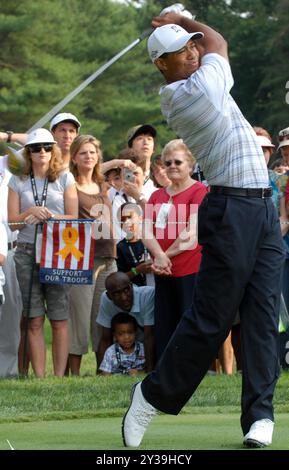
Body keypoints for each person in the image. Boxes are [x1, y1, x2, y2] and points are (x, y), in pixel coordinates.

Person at [122, 8, 284, 449]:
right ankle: (151, 393)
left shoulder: (201, 72)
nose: (192, 53)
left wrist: (185, 26)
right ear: (162, 64)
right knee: (212, 318)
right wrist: (183, 17)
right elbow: (220, 44)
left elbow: (210, 47)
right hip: (229, 208)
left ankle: (259, 417)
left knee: (262, 317)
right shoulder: (186, 93)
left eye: (191, 46)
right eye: (180, 52)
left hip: (262, 208)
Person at [8, 128, 78, 377]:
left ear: (53, 150)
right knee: (34, 318)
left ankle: (58, 377)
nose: (42, 152)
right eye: (36, 148)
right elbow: (12, 222)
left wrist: (49, 215)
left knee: (59, 318)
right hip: (26, 251)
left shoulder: (65, 178)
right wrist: (30, 213)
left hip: (58, 251)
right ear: (28, 152)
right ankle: (40, 376)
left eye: (47, 147)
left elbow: (74, 216)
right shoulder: (17, 179)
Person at [144, 139, 207, 359]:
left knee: (187, 323)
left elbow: (191, 234)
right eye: (167, 162)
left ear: (190, 165)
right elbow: (145, 230)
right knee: (164, 323)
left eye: (177, 162)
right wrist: (159, 258)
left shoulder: (199, 191)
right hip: (163, 271)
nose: (172, 166)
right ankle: (164, 370)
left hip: (189, 270)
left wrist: (162, 257)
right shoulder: (157, 195)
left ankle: (188, 370)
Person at [67, 135, 117, 375]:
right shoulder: (69, 185)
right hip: (82, 259)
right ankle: (73, 372)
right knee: (79, 316)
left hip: (109, 257)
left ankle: (102, 369)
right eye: (83, 153)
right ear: (74, 158)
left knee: (103, 316)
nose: (89, 156)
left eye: (93, 152)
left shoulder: (103, 184)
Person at [97, 272, 155, 372]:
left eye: (126, 290)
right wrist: (100, 373)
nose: (124, 298)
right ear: (109, 296)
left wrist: (149, 371)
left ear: (131, 286)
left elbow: (149, 336)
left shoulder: (148, 294)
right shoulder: (105, 299)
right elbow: (105, 339)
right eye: (116, 294)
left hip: (151, 345)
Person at [0, 155, 23, 377]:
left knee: (9, 313)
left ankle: (7, 371)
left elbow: (32, 142)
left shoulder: (8, 162)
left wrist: (7, 137)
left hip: (8, 249)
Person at [117, 202, 153, 287]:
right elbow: (119, 278)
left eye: (130, 217)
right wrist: (137, 270)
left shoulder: (152, 240)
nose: (126, 222)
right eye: (122, 219)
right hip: (135, 293)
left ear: (140, 218)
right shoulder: (120, 248)